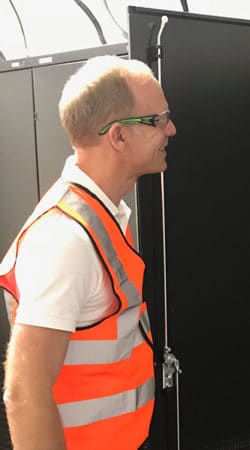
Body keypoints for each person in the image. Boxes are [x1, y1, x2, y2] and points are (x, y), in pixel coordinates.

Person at [0, 55, 176, 450]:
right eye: (159, 119)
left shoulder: (101, 216)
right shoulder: (65, 240)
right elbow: (24, 394)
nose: (171, 129)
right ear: (118, 137)